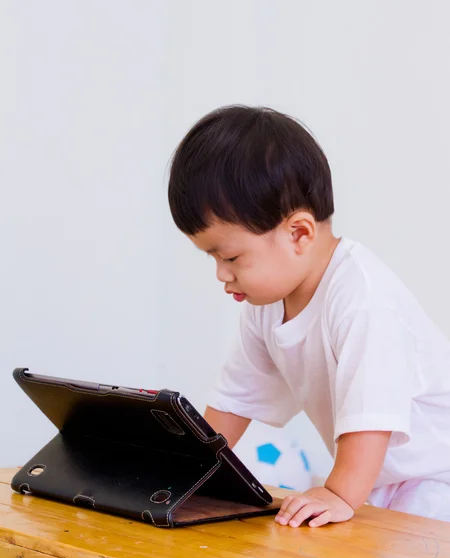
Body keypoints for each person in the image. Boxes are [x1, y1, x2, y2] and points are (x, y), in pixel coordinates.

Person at [167, 105, 450, 527]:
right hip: (378, 482)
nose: (221, 274)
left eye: (230, 256)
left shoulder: (362, 298)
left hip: (434, 480)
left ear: (299, 233)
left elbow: (373, 417)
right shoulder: (266, 303)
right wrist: (184, 472)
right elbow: (232, 402)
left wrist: (338, 493)